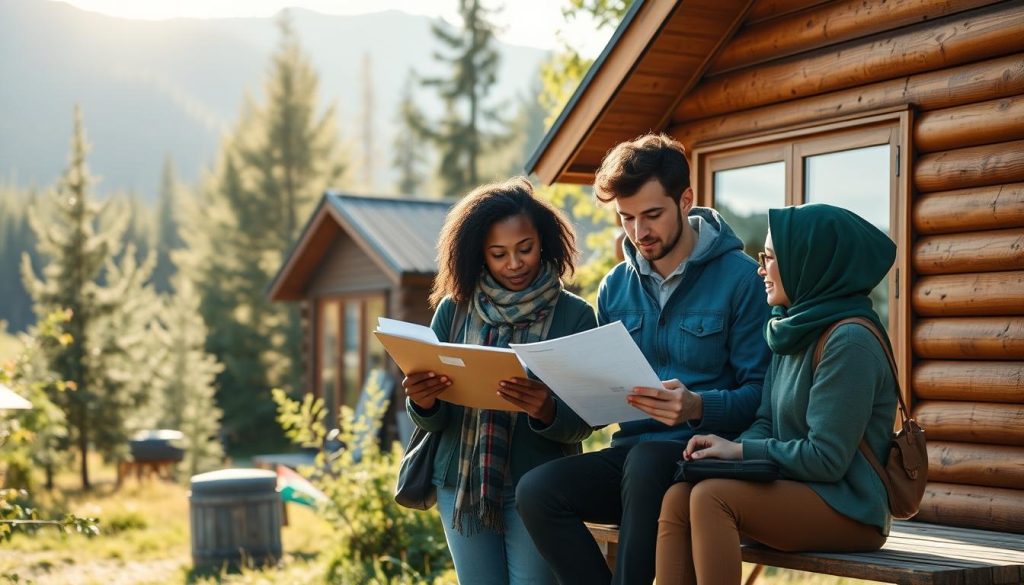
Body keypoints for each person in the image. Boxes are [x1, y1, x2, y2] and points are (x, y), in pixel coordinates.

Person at [517, 133, 772, 585]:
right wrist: (553, 398)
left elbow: (761, 397)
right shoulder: (615, 286)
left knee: (649, 461)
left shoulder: (742, 280)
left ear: (686, 200)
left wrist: (697, 406)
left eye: (652, 215)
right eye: (626, 218)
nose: (639, 232)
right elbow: (602, 400)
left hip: (710, 457)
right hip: (634, 458)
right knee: (537, 491)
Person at [654, 203, 898, 585]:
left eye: (769, 258)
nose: (760, 269)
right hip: (798, 491)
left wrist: (739, 451)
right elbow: (766, 420)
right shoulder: (791, 328)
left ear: (808, 261)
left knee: (710, 498)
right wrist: (723, 451)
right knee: (680, 496)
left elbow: (826, 459)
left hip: (849, 507)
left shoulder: (849, 341)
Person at [402, 177, 597, 585]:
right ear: (479, 255)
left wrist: (546, 410)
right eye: (498, 253)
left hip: (540, 486)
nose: (514, 263)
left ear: (543, 241)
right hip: (459, 482)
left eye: (524, 248)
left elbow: (587, 420)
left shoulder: (574, 316)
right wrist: (423, 403)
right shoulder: (454, 311)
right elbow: (435, 421)